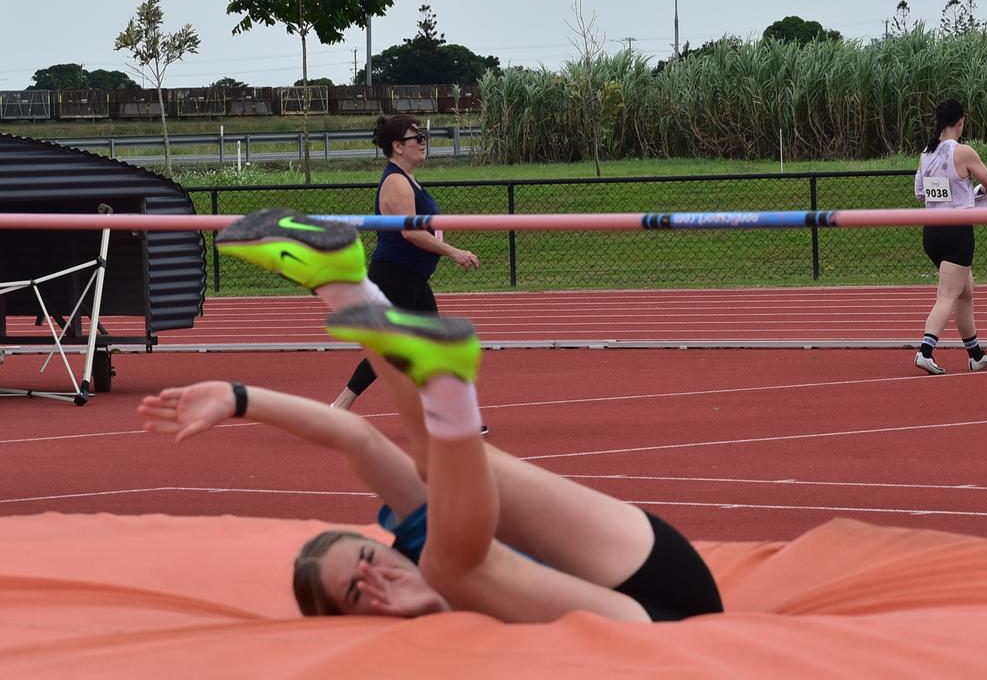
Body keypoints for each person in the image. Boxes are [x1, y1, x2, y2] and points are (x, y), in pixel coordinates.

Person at [152, 209, 723, 623]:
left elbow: (356, 438)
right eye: (357, 592)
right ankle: (354, 293)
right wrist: (436, 604)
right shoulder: (433, 574)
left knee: (431, 469)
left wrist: (239, 397)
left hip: (646, 571)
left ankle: (347, 288)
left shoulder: (421, 539)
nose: (382, 578)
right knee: (444, 510)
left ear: (383, 544)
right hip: (641, 617)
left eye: (370, 559)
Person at [330, 114, 481, 418]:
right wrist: (453, 252)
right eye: (418, 139)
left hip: (413, 278)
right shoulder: (397, 182)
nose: (424, 143)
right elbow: (411, 233)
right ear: (398, 146)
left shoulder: (408, 178)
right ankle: (341, 405)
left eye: (424, 137)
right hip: (394, 276)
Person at [911, 99, 987, 376]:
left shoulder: (926, 153)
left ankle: (975, 354)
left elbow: (920, 193)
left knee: (965, 293)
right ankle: (925, 351)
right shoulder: (962, 151)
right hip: (957, 232)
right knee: (948, 295)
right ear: (960, 122)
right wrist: (976, 193)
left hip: (932, 231)